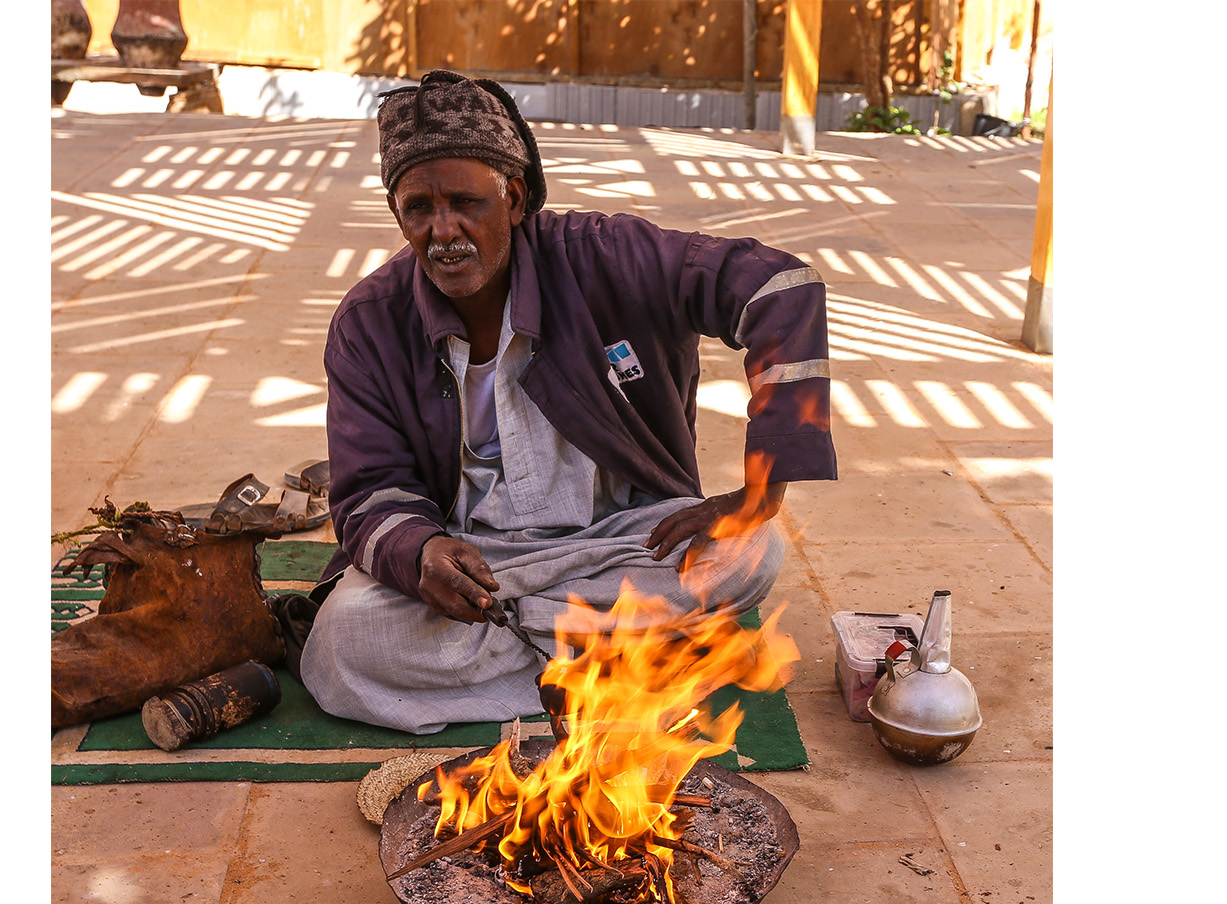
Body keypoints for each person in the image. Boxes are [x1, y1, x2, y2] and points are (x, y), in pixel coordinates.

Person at [299, 69, 836, 735]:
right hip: (475, 566)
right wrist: (420, 552)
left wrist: (764, 489)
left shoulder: (608, 256)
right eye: (419, 209)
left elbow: (781, 287)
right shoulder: (369, 321)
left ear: (516, 198)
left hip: (618, 541)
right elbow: (370, 489)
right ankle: (619, 656)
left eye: (467, 202)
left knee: (754, 551)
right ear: (397, 214)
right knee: (341, 643)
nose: (443, 232)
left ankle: (545, 657)